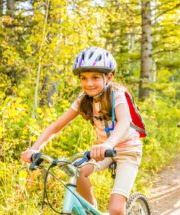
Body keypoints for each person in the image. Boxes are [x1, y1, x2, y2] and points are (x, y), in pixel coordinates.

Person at [20, 47, 142, 215]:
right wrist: (35, 148)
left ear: (109, 77)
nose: (89, 83)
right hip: (102, 150)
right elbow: (56, 126)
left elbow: (124, 122)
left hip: (128, 151)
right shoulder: (83, 99)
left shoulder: (117, 94)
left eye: (95, 77)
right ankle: (92, 210)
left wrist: (108, 143)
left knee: (115, 209)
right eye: (83, 78)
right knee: (76, 172)